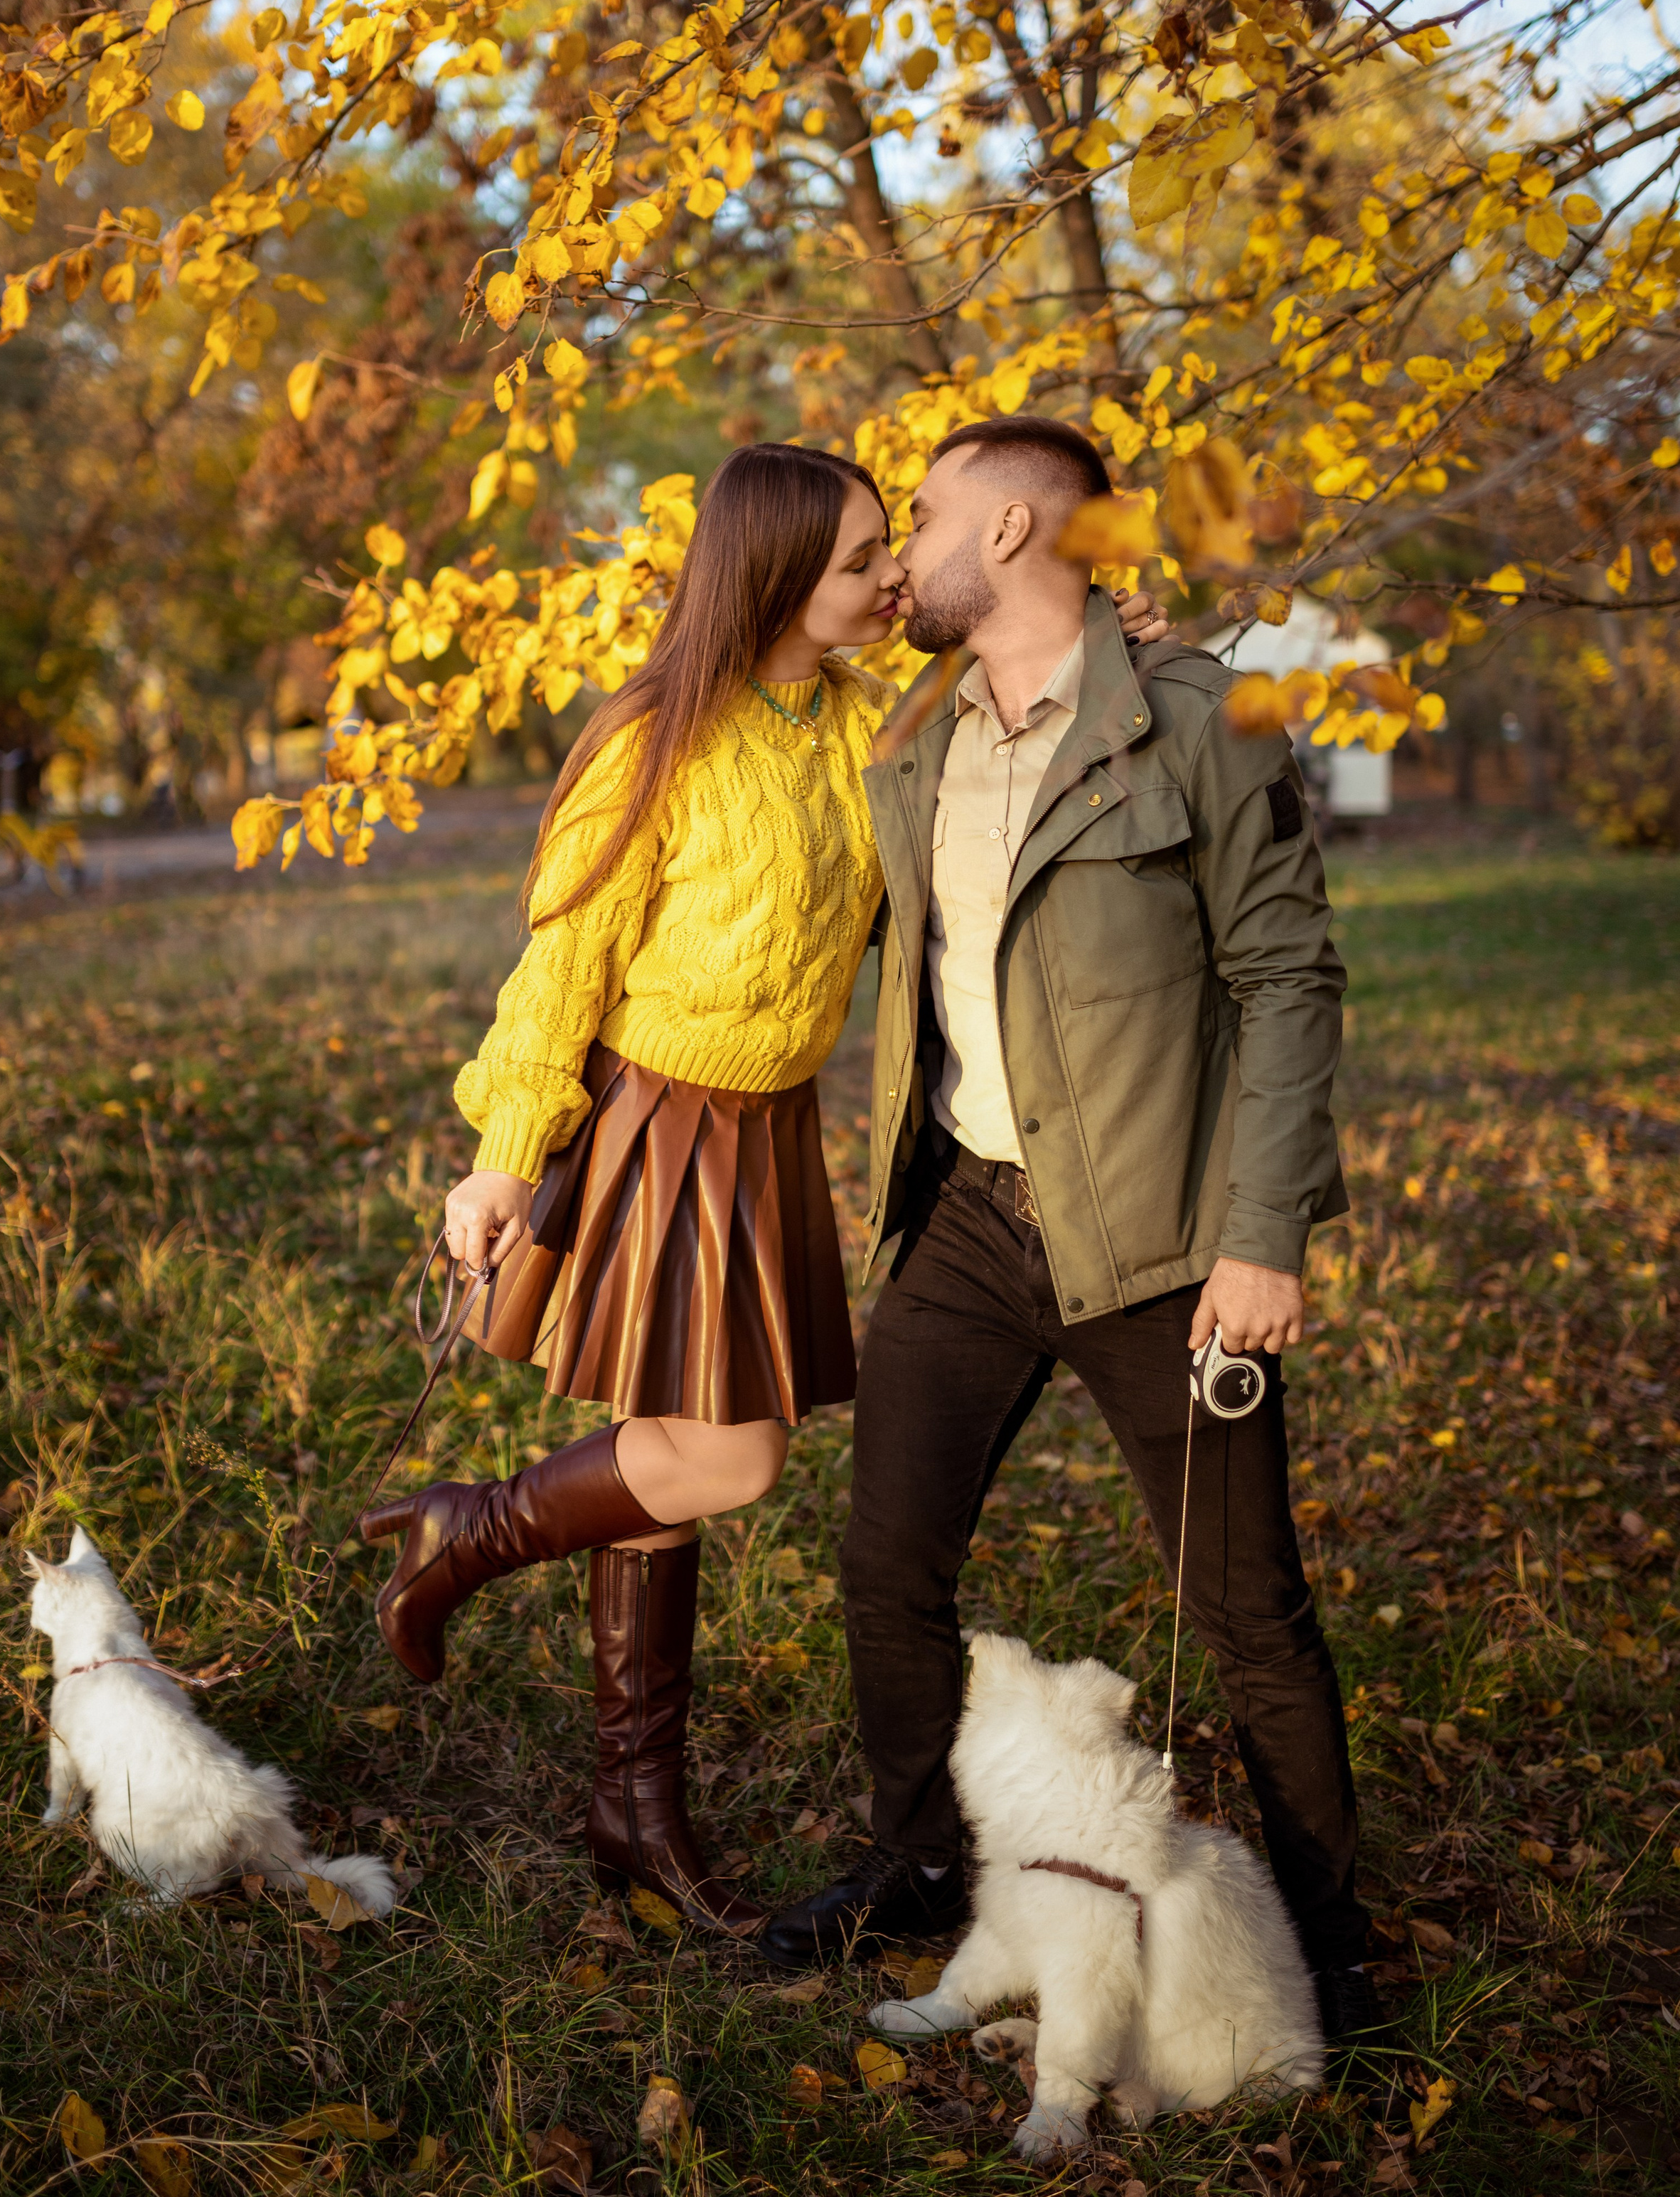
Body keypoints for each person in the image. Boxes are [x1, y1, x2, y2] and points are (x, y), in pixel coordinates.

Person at [358, 440, 1169, 1938]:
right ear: (779, 572)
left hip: (771, 1132)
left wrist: (1128, 649)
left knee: (666, 1454)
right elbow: (563, 964)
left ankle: (633, 1806)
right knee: (724, 1459)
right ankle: (464, 1532)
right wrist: (501, 1151)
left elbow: (1021, 713)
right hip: (658, 1121)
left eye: (883, 550)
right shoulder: (657, 737)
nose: (884, 579)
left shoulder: (867, 730)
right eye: (860, 559)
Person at [759, 416, 1378, 2050]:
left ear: (1019, 529)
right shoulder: (909, 729)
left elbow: (1287, 979)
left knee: (1246, 1615)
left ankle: (1332, 1951)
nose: (900, 556)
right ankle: (913, 1865)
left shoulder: (1196, 719)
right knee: (886, 1563)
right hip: (968, 1214)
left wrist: (1263, 1239)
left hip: (1162, 1238)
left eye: (927, 516)